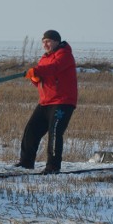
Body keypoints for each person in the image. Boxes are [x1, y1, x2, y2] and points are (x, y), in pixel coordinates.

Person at [14, 30, 77, 174]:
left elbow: (53, 68)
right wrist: (34, 78)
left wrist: (36, 71)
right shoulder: (44, 58)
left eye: (48, 41)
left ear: (56, 41)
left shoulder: (65, 55)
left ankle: (53, 166)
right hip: (45, 101)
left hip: (63, 101)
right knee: (31, 130)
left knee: (55, 132)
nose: (45, 45)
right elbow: (43, 79)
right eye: (43, 42)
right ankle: (26, 162)